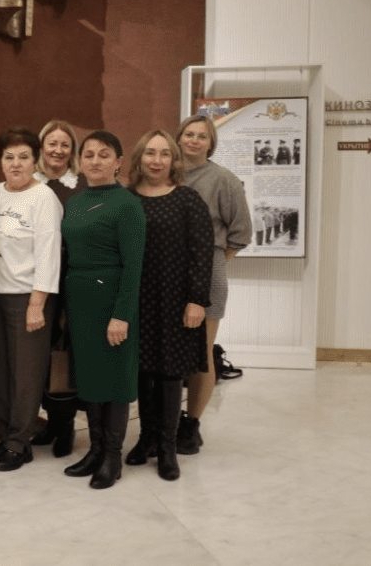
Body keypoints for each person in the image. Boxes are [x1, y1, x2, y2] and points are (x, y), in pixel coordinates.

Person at [125, 130, 214, 481]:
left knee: (169, 374)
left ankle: (166, 448)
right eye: (150, 153)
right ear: (139, 158)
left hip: (175, 301)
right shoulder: (127, 199)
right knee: (142, 372)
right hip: (137, 300)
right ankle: (146, 438)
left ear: (174, 160)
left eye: (164, 154)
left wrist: (197, 300)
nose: (157, 160)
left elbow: (202, 254)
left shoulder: (188, 200)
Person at [61, 130, 145, 490]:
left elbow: (134, 266)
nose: (95, 161)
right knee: (91, 377)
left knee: (115, 379)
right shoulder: (75, 202)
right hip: (81, 301)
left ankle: (112, 456)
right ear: (80, 161)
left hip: (112, 300)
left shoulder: (127, 204)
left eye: (104, 154)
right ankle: (95, 450)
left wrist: (121, 314)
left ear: (119, 162)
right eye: (89, 154)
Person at [0, 127, 63, 472]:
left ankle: (20, 443)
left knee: (26, 375)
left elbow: (48, 253)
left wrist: (36, 303)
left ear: (35, 161)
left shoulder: (44, 198)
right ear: (1, 161)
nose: (16, 164)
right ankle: (7, 436)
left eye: (23, 157)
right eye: (9, 157)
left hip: (27, 298)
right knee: (0, 372)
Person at [176, 115, 251, 453]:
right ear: (178, 138)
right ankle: (164, 420)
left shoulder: (223, 179)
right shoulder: (165, 174)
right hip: (165, 273)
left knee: (201, 353)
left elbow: (241, 231)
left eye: (201, 136)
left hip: (207, 273)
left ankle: (191, 424)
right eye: (189, 134)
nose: (194, 140)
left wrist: (215, 260)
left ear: (211, 143)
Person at [30, 120, 87, 458]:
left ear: (73, 150)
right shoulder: (28, 183)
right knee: (37, 352)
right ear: (41, 146)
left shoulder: (81, 185)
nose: (58, 150)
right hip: (32, 282)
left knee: (63, 352)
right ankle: (48, 420)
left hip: (70, 282)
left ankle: (64, 423)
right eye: (52, 143)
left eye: (65, 144)